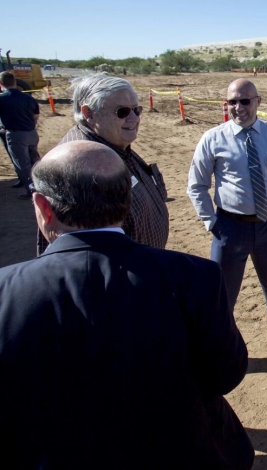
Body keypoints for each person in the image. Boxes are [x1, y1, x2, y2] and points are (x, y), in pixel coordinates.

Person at [0, 141, 253, 470]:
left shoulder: (6, 290)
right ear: (127, 202)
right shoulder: (195, 276)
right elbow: (226, 374)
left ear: (44, 208)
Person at [187, 78, 267, 351]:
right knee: (223, 291)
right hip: (229, 227)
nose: (238, 107)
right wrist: (211, 223)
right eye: (232, 101)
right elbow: (196, 186)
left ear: (258, 102)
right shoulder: (213, 138)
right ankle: (219, 341)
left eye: (244, 101)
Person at [36, 72, 169, 255]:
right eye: (122, 111)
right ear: (89, 113)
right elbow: (83, 254)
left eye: (136, 110)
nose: (134, 119)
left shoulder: (114, 146)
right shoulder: (81, 165)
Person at [0, 71, 40, 199]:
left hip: (16, 135)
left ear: (1, 84)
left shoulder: (2, 99)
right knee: (35, 160)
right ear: (15, 82)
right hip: (32, 133)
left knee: (23, 164)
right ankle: (43, 185)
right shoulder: (29, 98)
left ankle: (32, 190)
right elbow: (35, 116)